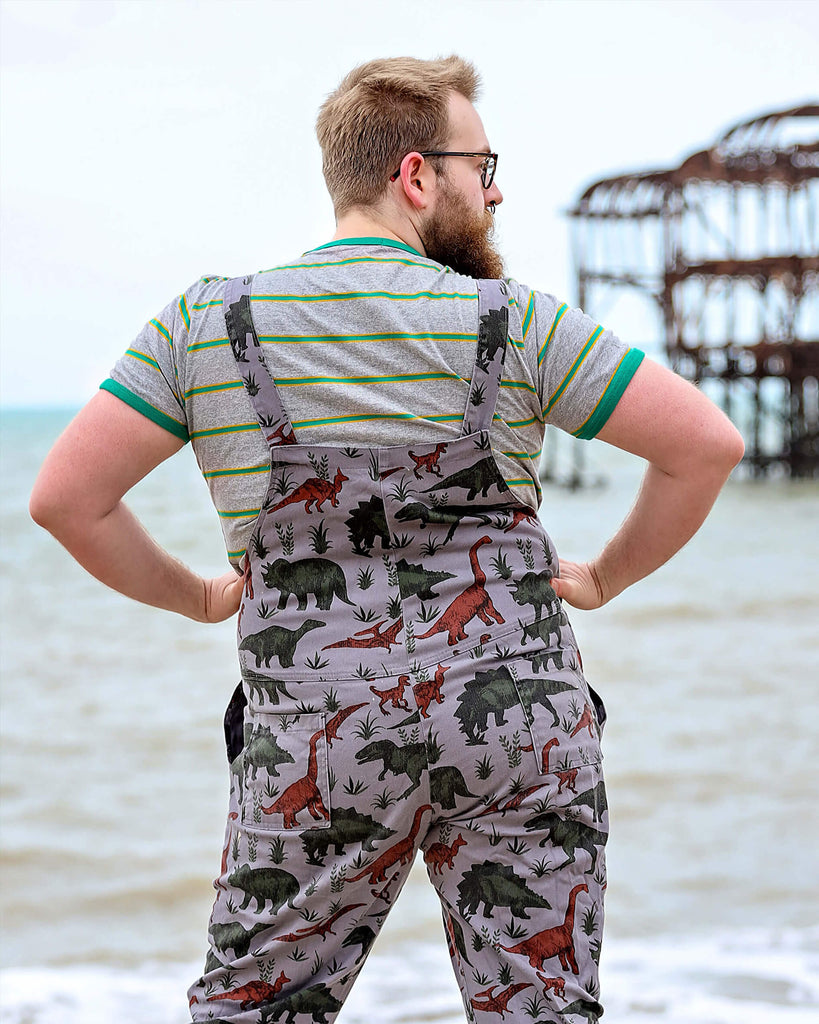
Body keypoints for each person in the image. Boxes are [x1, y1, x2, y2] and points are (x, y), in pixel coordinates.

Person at [30, 56, 743, 1024]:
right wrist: (606, 578)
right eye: (481, 167)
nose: (496, 191)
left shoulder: (210, 324)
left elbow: (67, 500)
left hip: (319, 738)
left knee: (256, 1007)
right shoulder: (517, 323)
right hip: (517, 726)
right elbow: (705, 446)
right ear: (417, 176)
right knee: (538, 1007)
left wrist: (194, 596)